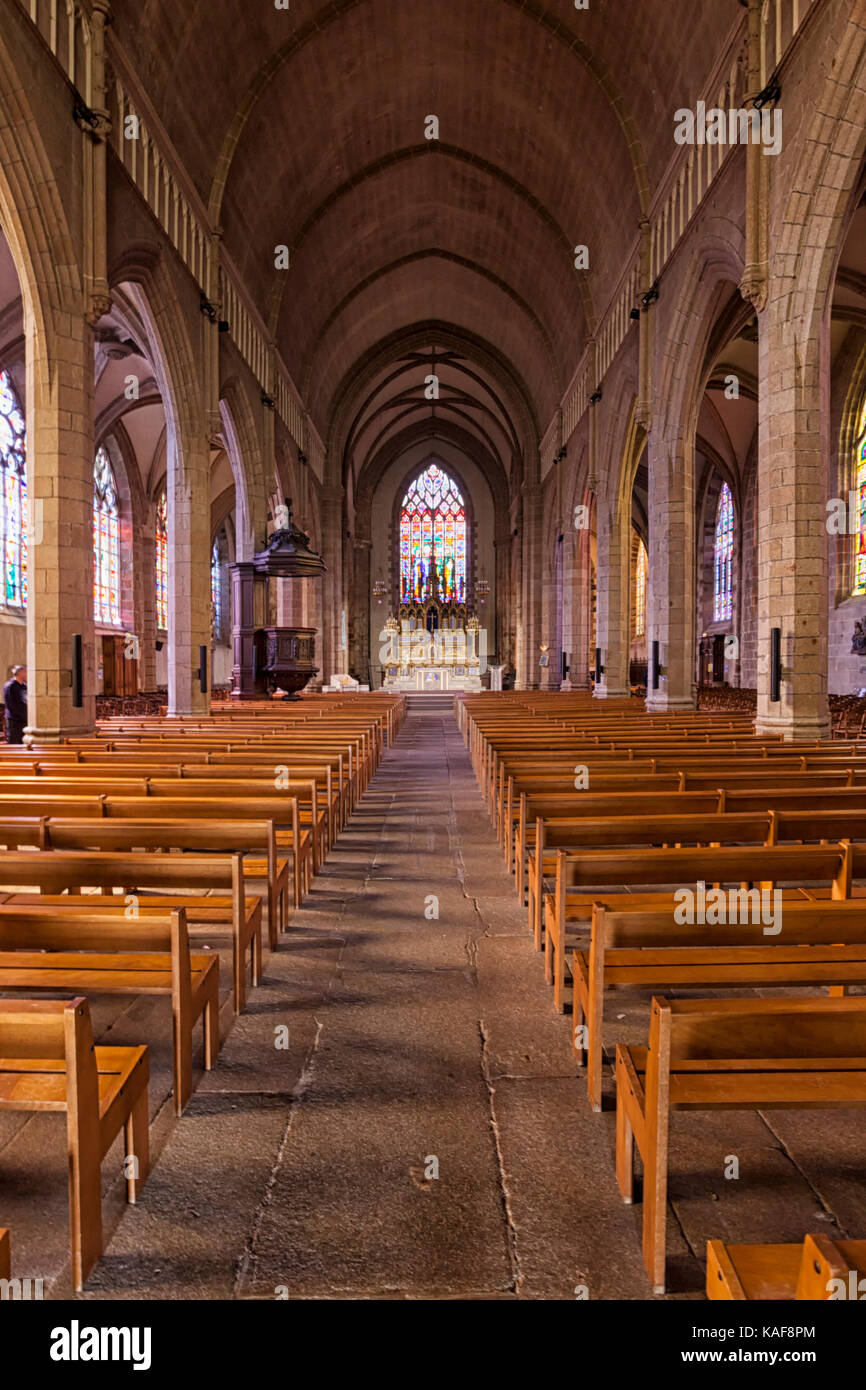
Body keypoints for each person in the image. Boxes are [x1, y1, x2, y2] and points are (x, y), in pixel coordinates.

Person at [3, 664, 27, 744]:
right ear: (20, 673)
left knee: (22, 742)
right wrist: (20, 715)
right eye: (25, 672)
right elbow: (10, 705)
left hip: (24, 719)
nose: (27, 674)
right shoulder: (10, 686)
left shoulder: (24, 686)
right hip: (14, 720)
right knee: (13, 741)